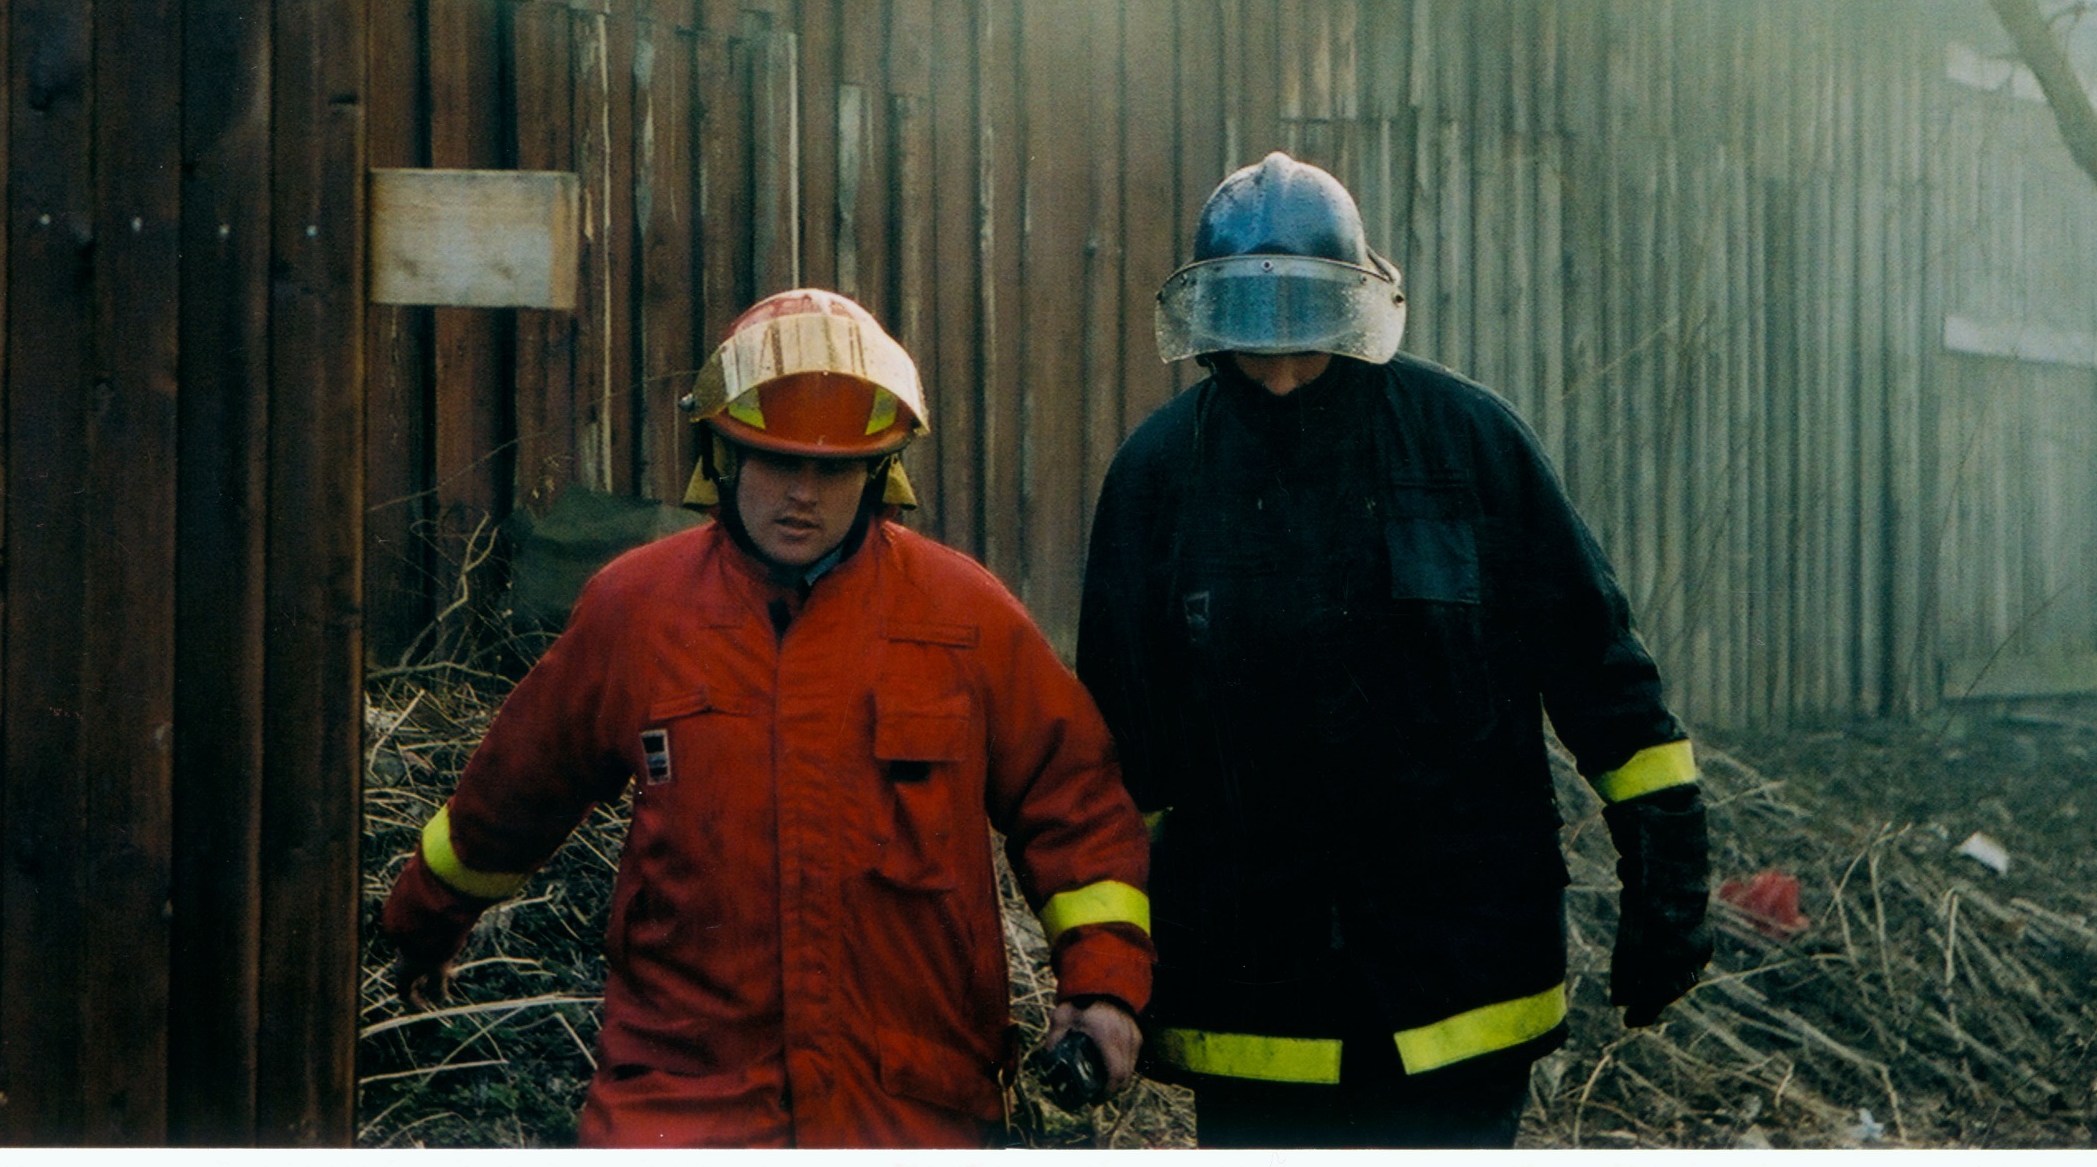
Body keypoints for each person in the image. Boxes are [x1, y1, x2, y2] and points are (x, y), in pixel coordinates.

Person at [377, 287, 1152, 1146]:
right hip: (683, 1103)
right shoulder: (637, 612)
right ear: (722, 455)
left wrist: (1102, 986)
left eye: (833, 468)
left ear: (880, 470)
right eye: (778, 460)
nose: (802, 494)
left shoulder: (965, 619)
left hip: (908, 1108)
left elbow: (1073, 802)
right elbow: (513, 793)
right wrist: (422, 919)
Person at [1076, 153, 1713, 1148]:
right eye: (1252, 338)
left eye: (1306, 335)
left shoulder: (1468, 445)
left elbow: (1605, 681)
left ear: (1358, 305)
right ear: (1208, 323)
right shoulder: (1158, 479)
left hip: (1463, 985)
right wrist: (1105, 965)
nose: (1279, 369)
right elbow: (1109, 764)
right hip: (1253, 1003)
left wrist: (1666, 883)